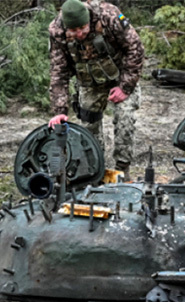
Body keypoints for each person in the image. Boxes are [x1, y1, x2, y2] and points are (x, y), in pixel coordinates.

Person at [47, 0, 144, 177]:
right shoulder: (57, 30)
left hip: (120, 76)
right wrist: (59, 110)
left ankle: (123, 169)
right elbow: (58, 71)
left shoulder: (109, 16)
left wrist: (125, 86)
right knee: (89, 125)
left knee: (125, 119)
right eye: (74, 31)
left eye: (82, 28)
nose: (79, 34)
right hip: (89, 81)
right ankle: (96, 168)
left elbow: (135, 49)